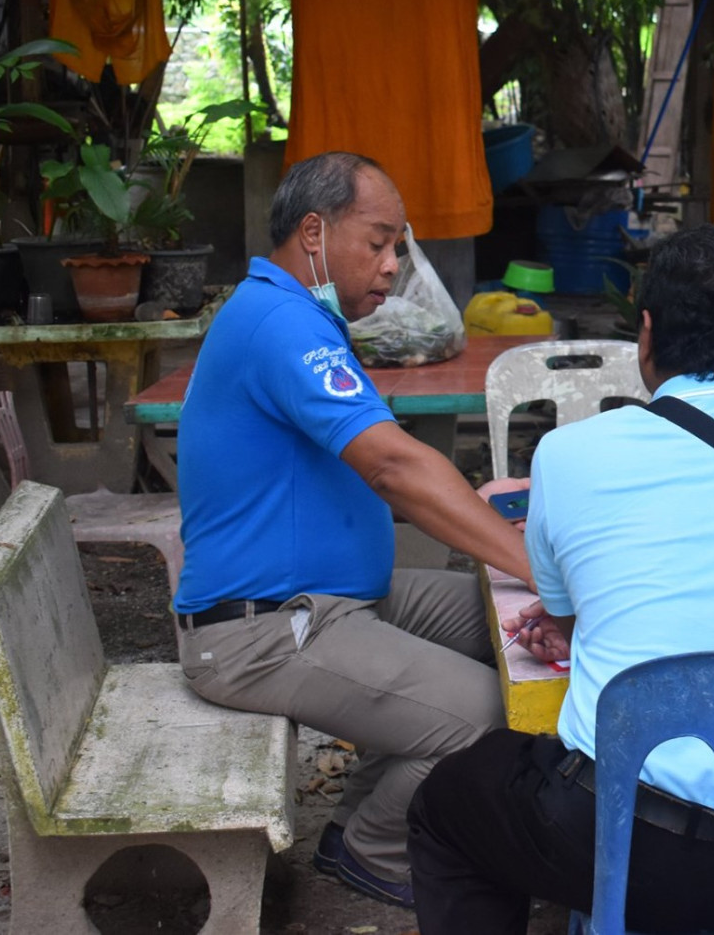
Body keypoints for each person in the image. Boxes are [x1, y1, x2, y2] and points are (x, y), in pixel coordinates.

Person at [406, 226, 714, 935]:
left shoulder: (568, 454)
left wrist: (574, 621)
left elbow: (569, 611)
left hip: (633, 844)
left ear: (647, 333)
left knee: (449, 804)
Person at [174, 151, 532, 908]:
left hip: (331, 596)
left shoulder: (302, 317)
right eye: (378, 242)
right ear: (314, 233)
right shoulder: (280, 324)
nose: (393, 265)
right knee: (492, 712)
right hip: (261, 629)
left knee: (506, 619)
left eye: (398, 245)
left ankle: (360, 822)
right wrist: (537, 564)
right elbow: (393, 466)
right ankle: (377, 846)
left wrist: (522, 564)